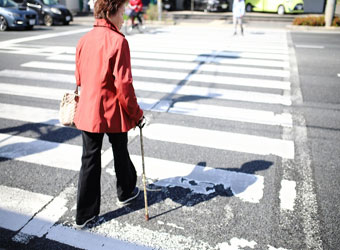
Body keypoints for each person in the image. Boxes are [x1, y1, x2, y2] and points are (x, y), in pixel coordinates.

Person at [74, 0, 144, 229]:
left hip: (89, 109)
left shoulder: (84, 40)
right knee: (120, 151)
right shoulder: (118, 42)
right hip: (113, 110)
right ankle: (125, 192)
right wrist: (137, 114)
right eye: (122, 12)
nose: (124, 17)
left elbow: (79, 77)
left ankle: (84, 215)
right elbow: (124, 85)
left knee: (90, 159)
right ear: (111, 12)